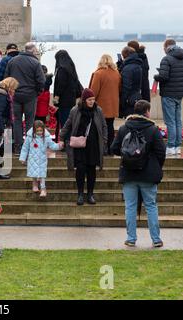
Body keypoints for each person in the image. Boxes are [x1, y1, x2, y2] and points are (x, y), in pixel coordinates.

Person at [110, 100, 165, 248]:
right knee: (151, 206)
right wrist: (155, 166)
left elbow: (114, 149)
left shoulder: (123, 128)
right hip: (148, 174)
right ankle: (156, 239)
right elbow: (161, 152)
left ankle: (131, 238)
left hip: (128, 173)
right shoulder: (153, 129)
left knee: (130, 206)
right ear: (146, 111)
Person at [60, 89, 107, 206]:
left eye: (93, 99)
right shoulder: (75, 110)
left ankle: (90, 194)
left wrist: (104, 140)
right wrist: (61, 137)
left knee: (91, 170)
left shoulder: (98, 110)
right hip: (79, 145)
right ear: (84, 100)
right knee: (80, 169)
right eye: (89, 100)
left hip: (93, 145)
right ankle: (80, 194)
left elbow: (104, 126)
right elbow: (68, 124)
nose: (92, 102)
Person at [4, 42, 46, 154]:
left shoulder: (12, 61)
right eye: (36, 50)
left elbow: (6, 79)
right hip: (30, 95)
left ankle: (18, 146)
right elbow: (41, 81)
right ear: (32, 51)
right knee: (29, 121)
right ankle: (29, 146)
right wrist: (38, 92)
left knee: (17, 120)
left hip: (16, 95)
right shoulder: (35, 63)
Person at [154, 39, 183, 156]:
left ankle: (171, 146)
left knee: (170, 121)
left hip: (168, 94)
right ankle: (177, 146)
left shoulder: (166, 59)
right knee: (178, 121)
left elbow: (164, 76)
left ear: (166, 47)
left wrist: (157, 75)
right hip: (179, 94)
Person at [20, 120, 63, 197]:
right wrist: (23, 158)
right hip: (32, 159)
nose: (39, 132)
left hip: (42, 159)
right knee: (34, 173)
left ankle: (43, 189)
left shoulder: (46, 138)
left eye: (41, 130)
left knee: (42, 174)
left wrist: (59, 146)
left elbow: (52, 145)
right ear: (34, 130)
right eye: (37, 131)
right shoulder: (29, 138)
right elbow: (25, 148)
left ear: (43, 130)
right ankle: (35, 185)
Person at [89, 54, 121, 155]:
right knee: (110, 126)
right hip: (113, 105)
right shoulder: (117, 74)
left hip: (101, 106)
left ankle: (100, 149)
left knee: (99, 128)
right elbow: (119, 89)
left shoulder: (98, 74)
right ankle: (110, 148)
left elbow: (93, 91)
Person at [53, 50, 83, 142]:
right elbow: (76, 82)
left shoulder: (62, 69)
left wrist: (57, 96)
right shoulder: (71, 68)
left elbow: (61, 84)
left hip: (63, 101)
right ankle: (70, 140)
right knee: (70, 121)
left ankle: (66, 142)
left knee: (64, 122)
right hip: (72, 99)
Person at [120, 46, 143, 119]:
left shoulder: (127, 69)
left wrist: (122, 102)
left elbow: (126, 87)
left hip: (129, 101)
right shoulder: (138, 65)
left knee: (130, 121)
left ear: (125, 55)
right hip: (137, 96)